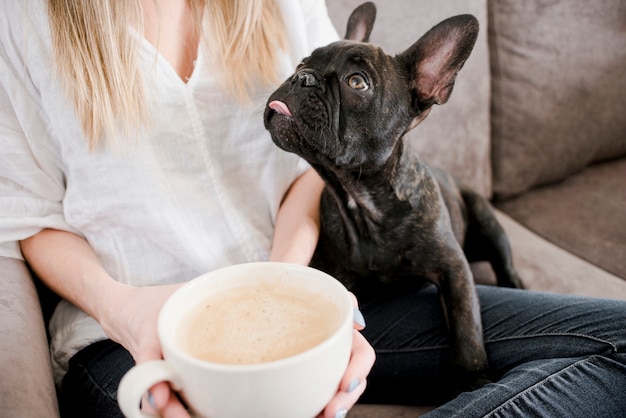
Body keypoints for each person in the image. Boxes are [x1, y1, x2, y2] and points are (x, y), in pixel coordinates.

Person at [1, 1, 625, 418]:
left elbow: (313, 172)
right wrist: (126, 311)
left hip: (305, 288)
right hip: (134, 333)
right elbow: (27, 217)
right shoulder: (23, 21)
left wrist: (290, 287)